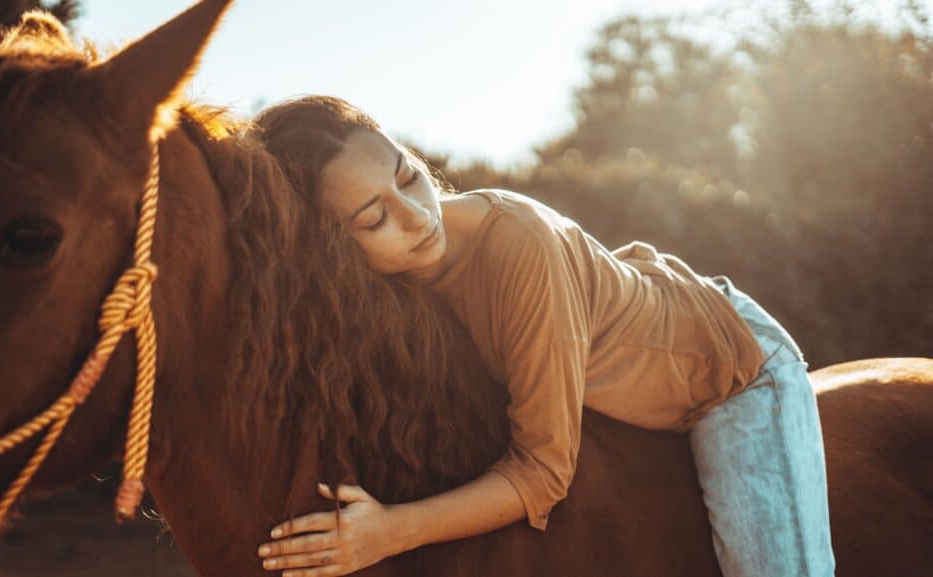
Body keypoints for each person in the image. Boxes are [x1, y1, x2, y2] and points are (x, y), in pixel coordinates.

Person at [251, 95, 835, 577]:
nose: (418, 216)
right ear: (332, 250)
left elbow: (544, 472)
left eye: (408, 176)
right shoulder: (379, 291)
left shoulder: (517, 245)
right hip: (623, 359)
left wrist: (389, 533)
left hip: (729, 365)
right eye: (375, 218)